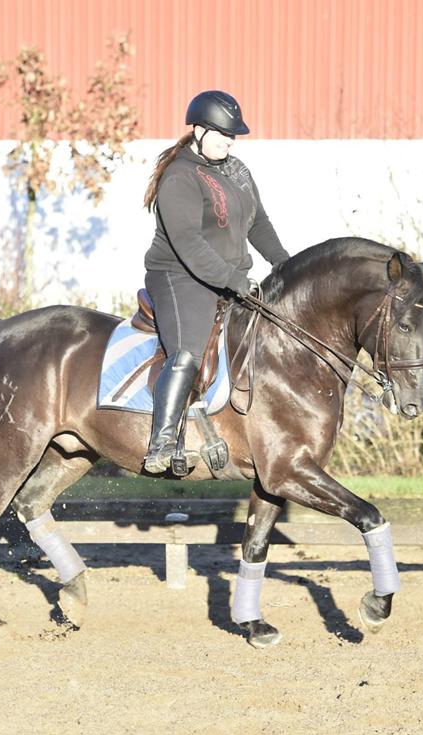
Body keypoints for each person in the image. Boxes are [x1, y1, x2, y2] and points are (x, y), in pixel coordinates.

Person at [141, 90, 290, 474]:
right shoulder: (179, 176)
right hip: (180, 276)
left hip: (230, 278)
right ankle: (161, 442)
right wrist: (232, 280)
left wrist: (286, 265)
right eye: (223, 134)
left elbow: (259, 223)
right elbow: (189, 244)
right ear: (199, 131)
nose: (229, 141)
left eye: (232, 136)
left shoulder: (237, 171)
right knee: (188, 353)